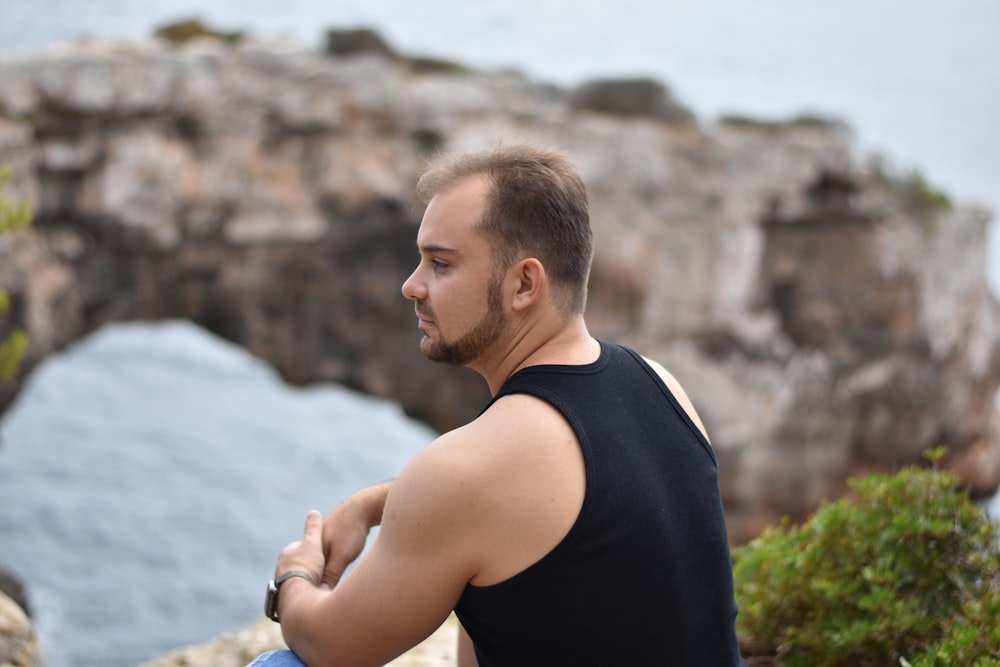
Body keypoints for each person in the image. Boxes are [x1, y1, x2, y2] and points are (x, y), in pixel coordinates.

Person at [250, 144, 746, 666]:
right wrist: (372, 503)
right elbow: (558, 498)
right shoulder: (661, 385)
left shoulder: (475, 467)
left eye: (440, 264)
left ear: (524, 284)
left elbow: (331, 646)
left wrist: (294, 577)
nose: (410, 286)